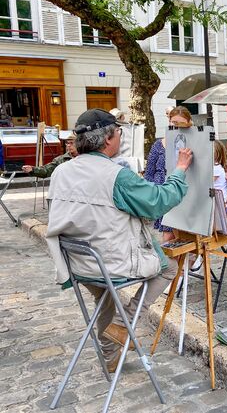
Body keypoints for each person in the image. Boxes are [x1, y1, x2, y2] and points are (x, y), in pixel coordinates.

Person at [46, 108, 192, 373]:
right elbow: (159, 202)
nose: (120, 138)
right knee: (170, 267)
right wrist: (180, 169)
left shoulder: (61, 172)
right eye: (118, 133)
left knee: (104, 296)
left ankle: (110, 354)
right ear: (108, 139)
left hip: (78, 263)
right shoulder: (116, 175)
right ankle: (123, 326)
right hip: (110, 263)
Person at [144, 106, 192, 242]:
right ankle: (173, 263)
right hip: (164, 195)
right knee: (168, 236)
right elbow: (149, 174)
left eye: (181, 123)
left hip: (186, 195)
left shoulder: (194, 142)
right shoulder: (159, 145)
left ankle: (189, 262)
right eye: (173, 122)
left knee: (187, 239)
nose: (176, 125)